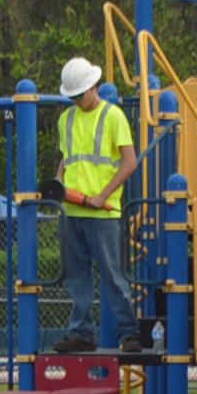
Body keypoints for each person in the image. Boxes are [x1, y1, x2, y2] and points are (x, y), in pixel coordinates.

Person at [45, 56, 159, 355]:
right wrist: (58, 186)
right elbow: (67, 160)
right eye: (71, 96)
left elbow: (130, 162)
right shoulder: (65, 119)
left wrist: (103, 196)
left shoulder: (113, 116)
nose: (75, 101)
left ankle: (129, 333)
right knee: (76, 275)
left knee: (112, 274)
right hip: (72, 211)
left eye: (78, 95)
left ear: (93, 87)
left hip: (103, 213)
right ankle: (81, 332)